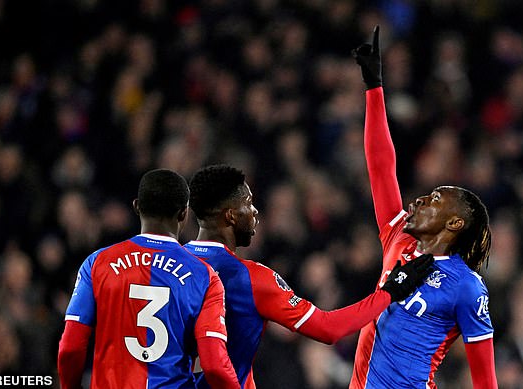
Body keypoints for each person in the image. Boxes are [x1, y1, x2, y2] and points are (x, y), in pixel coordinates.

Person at [184, 164, 435, 389]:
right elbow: (328, 328)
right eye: (248, 203)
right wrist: (390, 292)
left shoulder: (168, 265)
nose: (255, 211)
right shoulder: (251, 278)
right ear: (230, 215)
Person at [349, 26, 498, 388]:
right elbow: (381, 166)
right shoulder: (398, 237)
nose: (419, 201)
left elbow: (485, 381)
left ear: (454, 224)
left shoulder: (467, 288)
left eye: (434, 201)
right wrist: (374, 88)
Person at [57, 169, 240, 389]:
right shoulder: (205, 277)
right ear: (184, 213)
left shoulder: (97, 264)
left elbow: (70, 348)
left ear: (136, 207)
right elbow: (215, 366)